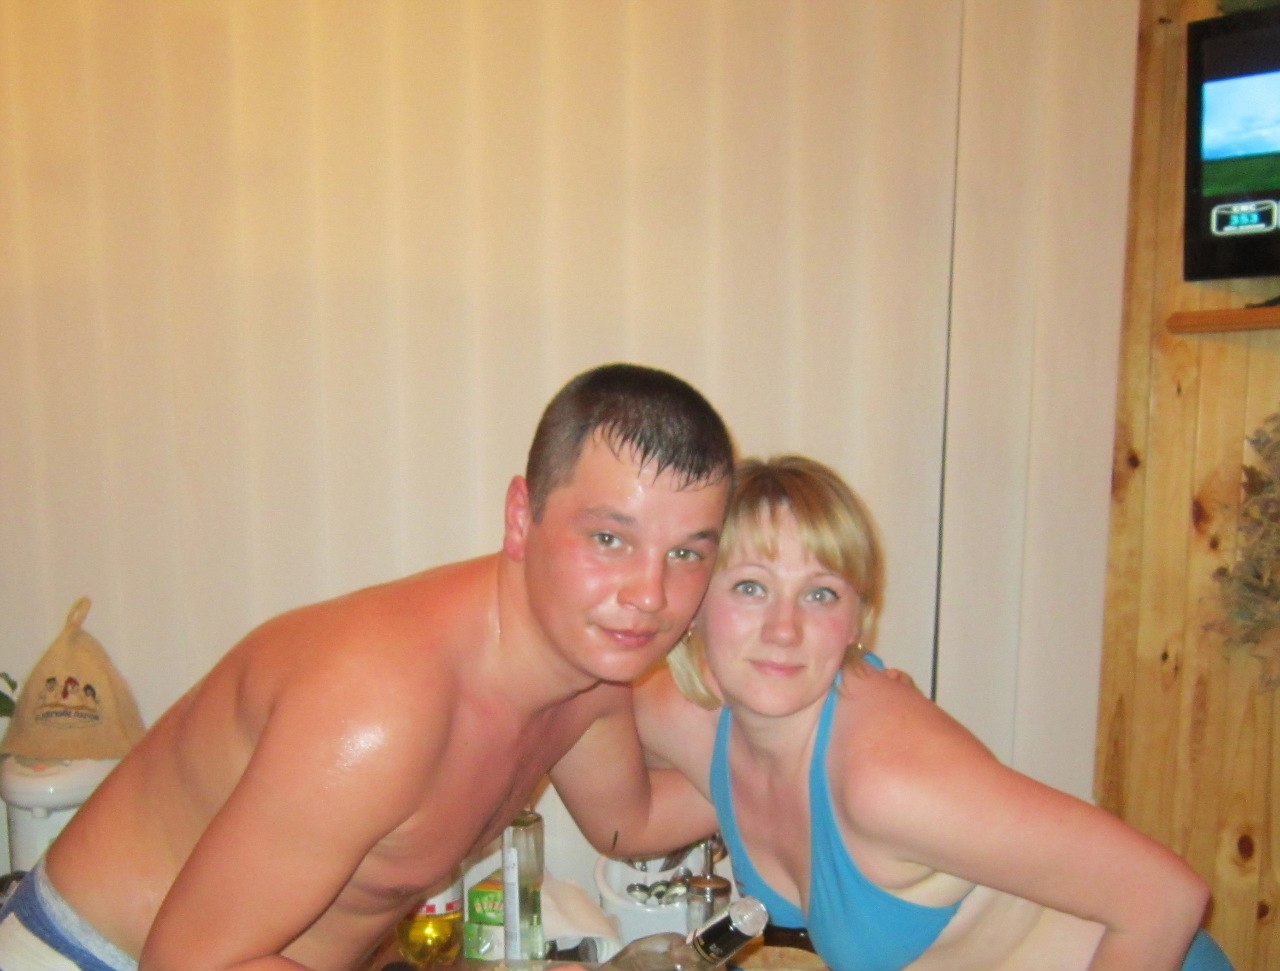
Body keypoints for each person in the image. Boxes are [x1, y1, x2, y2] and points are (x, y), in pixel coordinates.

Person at [0, 363, 730, 971]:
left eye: (686, 553)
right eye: (609, 538)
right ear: (521, 516)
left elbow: (626, 822)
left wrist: (779, 759)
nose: (649, 594)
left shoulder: (591, 677)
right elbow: (188, 963)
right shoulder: (381, 710)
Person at [634, 455, 1233, 971]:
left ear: (856, 622)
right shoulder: (706, 721)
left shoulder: (888, 780)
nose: (784, 629)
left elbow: (1164, 896)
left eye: (821, 594)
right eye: (751, 587)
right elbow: (620, 802)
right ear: (695, 603)